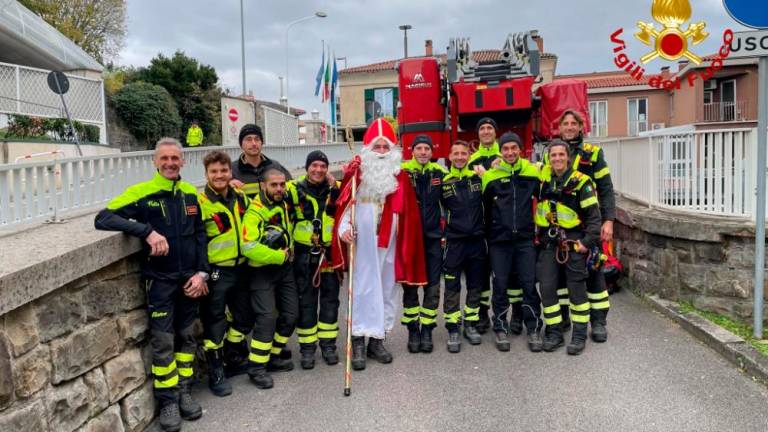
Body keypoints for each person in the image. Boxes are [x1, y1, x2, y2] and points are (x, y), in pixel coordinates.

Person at [94, 137, 207, 432]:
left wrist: (203, 274)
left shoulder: (190, 194)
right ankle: (168, 401)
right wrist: (146, 231)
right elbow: (103, 218)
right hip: (160, 282)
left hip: (190, 280)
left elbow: (200, 237)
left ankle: (184, 391)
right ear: (155, 162)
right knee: (163, 343)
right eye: (165, 158)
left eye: (175, 158)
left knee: (187, 338)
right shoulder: (142, 193)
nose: (170, 163)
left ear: (183, 161)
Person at [333, 118, 427, 370]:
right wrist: (344, 229)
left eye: (387, 147)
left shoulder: (401, 177)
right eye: (378, 147)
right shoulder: (357, 174)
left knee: (386, 290)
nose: (383, 152)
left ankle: (377, 340)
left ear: (394, 150)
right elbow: (343, 207)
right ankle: (358, 342)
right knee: (362, 290)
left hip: (391, 244)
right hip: (362, 244)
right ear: (368, 150)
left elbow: (408, 214)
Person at [535, 140, 601, 355]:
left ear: (568, 157)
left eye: (560, 155)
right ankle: (554, 332)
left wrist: (586, 243)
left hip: (573, 242)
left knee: (576, 290)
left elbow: (594, 218)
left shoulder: (582, 182)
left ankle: (579, 335)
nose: (557, 159)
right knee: (546, 288)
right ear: (548, 158)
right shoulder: (544, 180)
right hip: (548, 241)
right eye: (553, 155)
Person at [555, 110, 615, 342]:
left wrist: (608, 220)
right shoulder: (552, 153)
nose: (569, 127)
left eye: (573, 123)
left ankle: (598, 321)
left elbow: (606, 189)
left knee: (593, 274)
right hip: (562, 227)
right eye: (565, 123)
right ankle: (563, 318)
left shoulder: (593, 154)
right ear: (559, 128)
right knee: (561, 277)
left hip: (589, 224)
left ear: (581, 127)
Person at [481, 132, 543, 352]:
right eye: (505, 149)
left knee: (528, 285)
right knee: (500, 286)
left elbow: (546, 194)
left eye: (513, 148)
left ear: (520, 149)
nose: (509, 152)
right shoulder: (490, 176)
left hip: (525, 240)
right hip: (499, 241)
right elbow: (484, 209)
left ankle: (533, 327)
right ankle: (500, 327)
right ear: (500, 151)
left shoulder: (532, 172)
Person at [197, 150, 252, 397]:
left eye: (223, 171)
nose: (219, 176)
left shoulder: (240, 196)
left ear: (231, 172)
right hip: (217, 271)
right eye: (214, 172)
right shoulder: (200, 203)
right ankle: (216, 370)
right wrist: (201, 273)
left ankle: (232, 356)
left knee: (244, 317)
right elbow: (196, 242)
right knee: (215, 322)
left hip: (241, 268)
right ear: (207, 174)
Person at [240, 168, 298, 389]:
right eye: (274, 185)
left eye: (282, 184)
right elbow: (248, 246)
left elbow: (307, 178)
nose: (279, 189)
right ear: (263, 185)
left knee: (292, 315)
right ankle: (256, 367)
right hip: (262, 271)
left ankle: (272, 356)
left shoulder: (282, 200)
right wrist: (278, 256)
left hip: (284, 270)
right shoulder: (254, 212)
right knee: (266, 319)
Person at [287, 150, 342, 369]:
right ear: (307, 167)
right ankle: (308, 348)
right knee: (306, 303)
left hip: (329, 256)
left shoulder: (335, 189)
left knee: (330, 301)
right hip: (303, 256)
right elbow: (269, 192)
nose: (318, 170)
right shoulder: (292, 190)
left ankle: (328, 345)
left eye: (322, 166)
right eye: (314, 165)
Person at [400, 135, 446, 353]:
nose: (423, 152)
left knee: (433, 286)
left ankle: (427, 328)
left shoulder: (440, 173)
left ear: (431, 151)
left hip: (433, 238)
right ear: (412, 151)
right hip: (410, 237)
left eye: (427, 148)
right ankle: (413, 330)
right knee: (409, 286)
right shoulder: (401, 173)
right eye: (419, 148)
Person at [440, 140, 486, 353]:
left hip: (477, 241)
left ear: (469, 156)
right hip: (454, 242)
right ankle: (453, 328)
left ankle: (470, 324)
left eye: (463, 153)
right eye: (456, 153)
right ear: (449, 157)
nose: (460, 157)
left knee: (475, 285)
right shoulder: (442, 181)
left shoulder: (478, 177)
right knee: (452, 287)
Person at [467, 117, 501, 333]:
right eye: (482, 128)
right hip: (480, 224)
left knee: (502, 272)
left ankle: (503, 313)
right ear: (478, 134)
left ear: (495, 132)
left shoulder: (505, 155)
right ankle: (482, 314)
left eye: (490, 128)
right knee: (481, 271)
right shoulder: (471, 160)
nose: (486, 131)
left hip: (502, 223)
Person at [231, 123, 292, 199]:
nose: (254, 144)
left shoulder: (275, 166)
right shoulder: (232, 170)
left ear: (261, 143)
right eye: (248, 139)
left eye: (257, 139)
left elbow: (291, 189)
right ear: (241, 144)